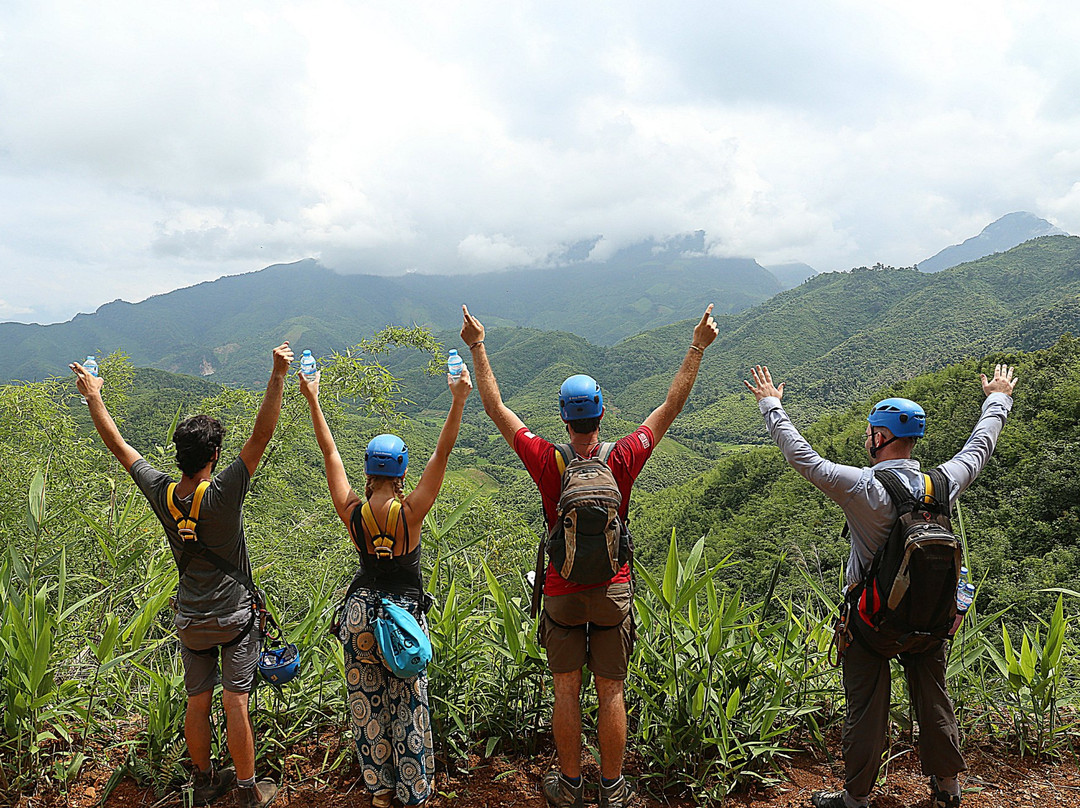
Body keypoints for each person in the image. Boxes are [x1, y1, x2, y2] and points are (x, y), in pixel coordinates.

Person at [460, 303, 719, 808]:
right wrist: (697, 348)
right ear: (602, 413)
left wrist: (477, 345)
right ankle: (613, 788)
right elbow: (669, 408)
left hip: (560, 590)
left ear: (564, 417)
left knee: (566, 689)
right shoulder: (622, 457)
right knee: (611, 691)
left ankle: (572, 786)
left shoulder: (547, 460)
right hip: (613, 592)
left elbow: (495, 408)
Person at [744, 363, 1018, 808]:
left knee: (866, 707)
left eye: (871, 431)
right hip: (929, 619)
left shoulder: (862, 486)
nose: (867, 437)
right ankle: (947, 788)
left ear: (881, 437)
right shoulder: (944, 482)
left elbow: (803, 458)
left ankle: (855, 799)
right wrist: (998, 398)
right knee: (934, 698)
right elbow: (979, 445)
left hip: (872, 622)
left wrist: (770, 405)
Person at [71, 343, 294, 808]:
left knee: (198, 700)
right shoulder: (224, 494)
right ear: (214, 454)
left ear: (178, 456)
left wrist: (94, 396)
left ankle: (204, 782)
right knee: (236, 702)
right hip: (233, 618)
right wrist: (277, 374)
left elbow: (119, 445)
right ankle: (249, 793)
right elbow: (262, 433)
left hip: (190, 620)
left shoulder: (161, 491)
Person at [298, 363, 472, 807]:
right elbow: (443, 454)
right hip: (402, 620)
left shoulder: (353, 512)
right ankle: (413, 791)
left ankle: (378, 789)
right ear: (401, 471)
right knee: (407, 704)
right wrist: (457, 401)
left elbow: (329, 454)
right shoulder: (411, 511)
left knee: (366, 702)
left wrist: (314, 398)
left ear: (369, 470)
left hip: (359, 615)